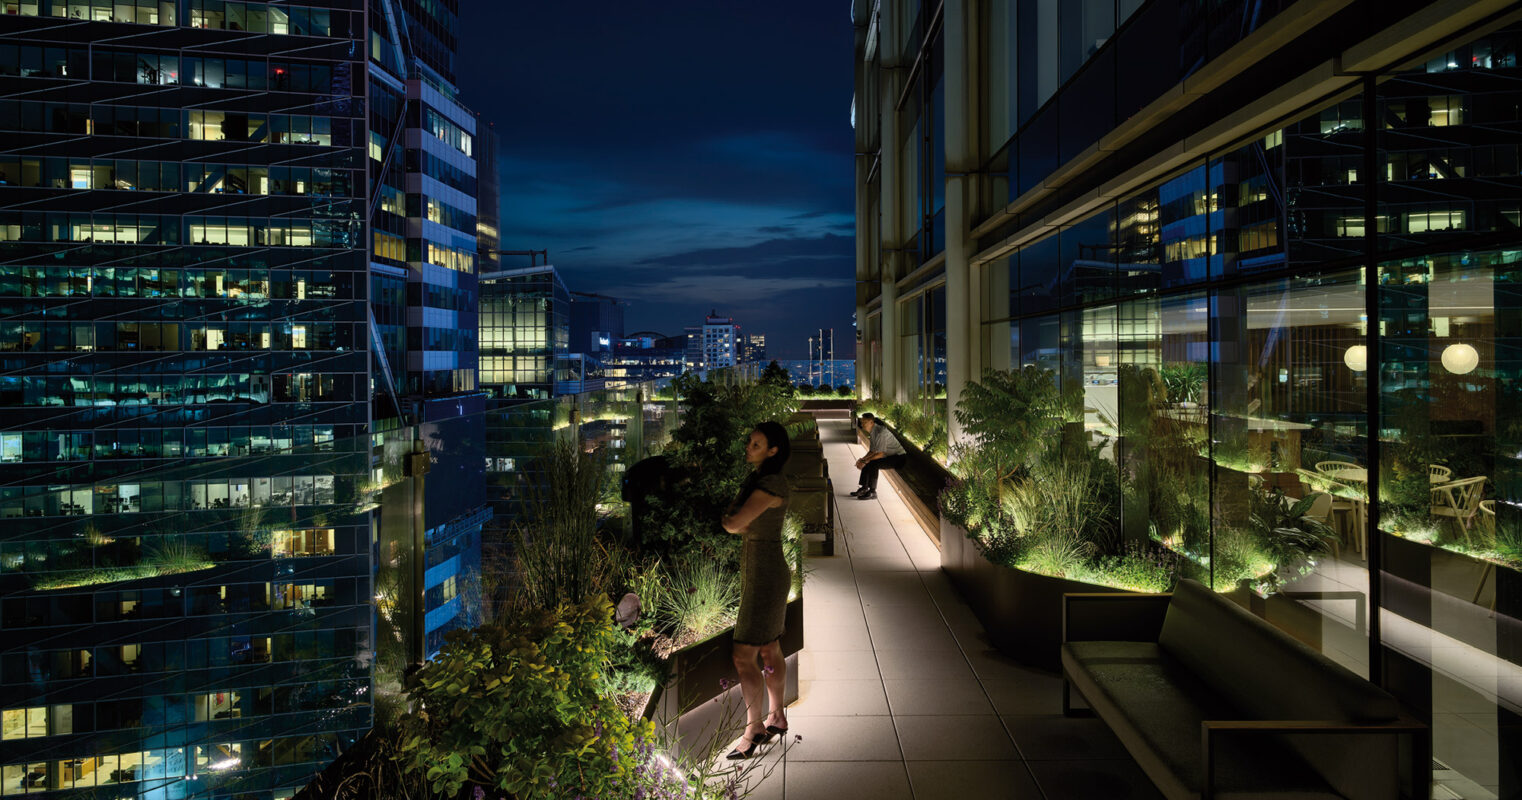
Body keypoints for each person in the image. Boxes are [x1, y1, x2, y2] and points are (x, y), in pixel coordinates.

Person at [719, 421, 792, 760]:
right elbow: (737, 521)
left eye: (757, 444)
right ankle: (776, 715)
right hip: (765, 572)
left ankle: (754, 727)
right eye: (750, 441)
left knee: (743, 654)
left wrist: (731, 519)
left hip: (765, 577)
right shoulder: (762, 480)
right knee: (768, 649)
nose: (749, 447)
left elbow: (733, 523)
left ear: (773, 451)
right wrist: (735, 519)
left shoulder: (770, 484)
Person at [851, 413, 906, 500]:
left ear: (872, 422)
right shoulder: (873, 431)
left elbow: (880, 454)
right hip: (889, 456)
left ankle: (873, 492)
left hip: (899, 458)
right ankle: (864, 488)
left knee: (873, 463)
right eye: (862, 422)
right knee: (868, 461)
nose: (862, 424)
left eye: (865, 422)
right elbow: (872, 451)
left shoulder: (880, 433)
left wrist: (866, 461)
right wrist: (862, 459)